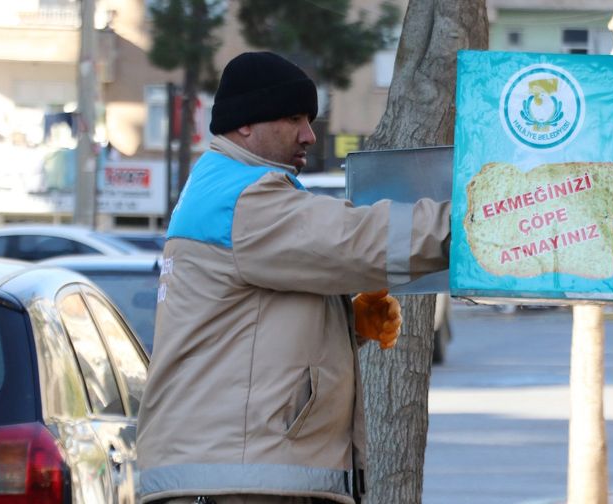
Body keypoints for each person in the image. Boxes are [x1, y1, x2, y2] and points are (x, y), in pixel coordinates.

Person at [137, 51, 451, 504]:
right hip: (237, 484)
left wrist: (347, 324)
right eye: (293, 118)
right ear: (246, 123)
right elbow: (358, 239)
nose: (309, 134)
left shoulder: (222, 185)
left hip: (227, 476)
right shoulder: (245, 198)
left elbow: (250, 331)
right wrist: (470, 224)